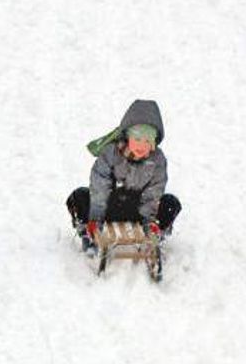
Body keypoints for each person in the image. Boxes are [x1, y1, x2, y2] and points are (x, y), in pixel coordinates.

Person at [66, 99, 182, 254]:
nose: (141, 146)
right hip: (110, 207)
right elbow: (99, 186)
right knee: (79, 196)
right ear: (128, 138)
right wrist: (95, 219)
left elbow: (154, 193)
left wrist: (150, 223)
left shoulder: (157, 160)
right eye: (137, 139)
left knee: (171, 203)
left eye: (147, 141)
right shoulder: (110, 153)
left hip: (139, 211)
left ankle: (156, 236)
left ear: (153, 143)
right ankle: (88, 234)